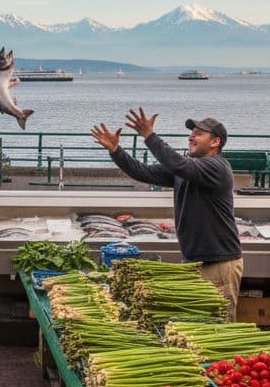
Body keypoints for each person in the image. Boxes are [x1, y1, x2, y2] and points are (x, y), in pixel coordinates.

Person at [90, 109, 243, 316]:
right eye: (191, 132)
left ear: (215, 142)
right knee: (194, 326)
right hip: (192, 262)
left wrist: (149, 136)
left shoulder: (216, 167)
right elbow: (143, 171)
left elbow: (178, 164)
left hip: (218, 264)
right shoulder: (187, 170)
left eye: (198, 133)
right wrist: (116, 151)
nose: (191, 136)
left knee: (218, 326)